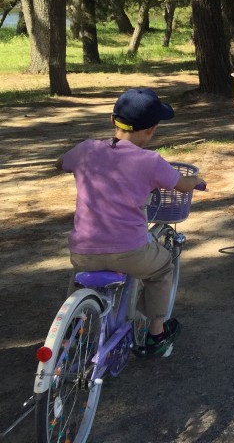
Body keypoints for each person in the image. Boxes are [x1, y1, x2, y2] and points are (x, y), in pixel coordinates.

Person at [57, 88, 205, 357]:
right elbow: (182, 185)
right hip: (129, 251)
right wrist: (196, 181)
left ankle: (69, 334)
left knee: (80, 278)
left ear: (113, 120)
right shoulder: (150, 161)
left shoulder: (87, 149)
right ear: (151, 130)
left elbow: (61, 163)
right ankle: (156, 333)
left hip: (83, 250)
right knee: (161, 268)